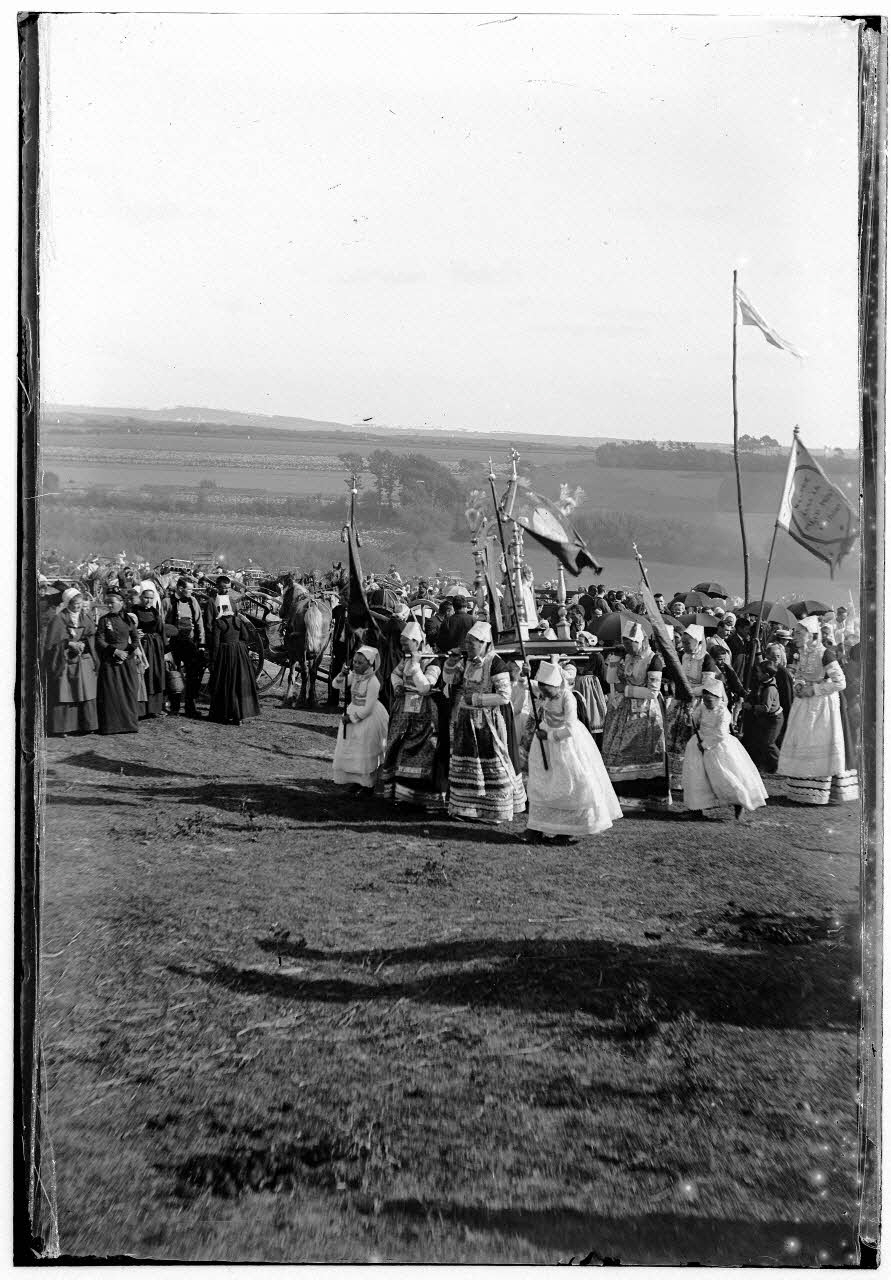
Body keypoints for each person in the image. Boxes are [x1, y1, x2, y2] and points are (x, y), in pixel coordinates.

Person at [520, 661, 623, 845]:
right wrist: (525, 674)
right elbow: (526, 684)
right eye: (542, 689)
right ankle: (536, 828)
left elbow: (571, 728)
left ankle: (566, 831)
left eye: (547, 689)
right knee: (541, 784)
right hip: (544, 745)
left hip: (565, 745)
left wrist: (549, 736)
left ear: (557, 684)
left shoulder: (568, 698)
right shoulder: (544, 691)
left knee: (570, 785)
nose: (544, 694)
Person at [443, 621, 526, 823]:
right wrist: (451, 664)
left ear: (484, 644)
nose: (468, 646)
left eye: (472, 643)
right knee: (468, 764)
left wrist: (476, 699)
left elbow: (504, 696)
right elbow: (450, 680)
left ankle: (495, 811)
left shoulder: (496, 664)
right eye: (467, 642)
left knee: (491, 764)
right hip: (467, 721)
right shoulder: (468, 661)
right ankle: (466, 808)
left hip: (489, 722)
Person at [778, 617, 859, 805]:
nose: (795, 637)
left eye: (799, 633)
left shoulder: (825, 654)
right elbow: (800, 675)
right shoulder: (803, 653)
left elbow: (840, 682)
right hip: (804, 705)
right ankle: (802, 788)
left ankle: (820, 790)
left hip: (822, 706)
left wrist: (814, 690)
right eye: (795, 633)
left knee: (818, 741)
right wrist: (799, 685)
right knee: (803, 740)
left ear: (811, 634)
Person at [376, 621, 448, 811]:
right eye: (401, 644)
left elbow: (426, 687)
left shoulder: (433, 661)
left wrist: (415, 665)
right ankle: (400, 792)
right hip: (404, 710)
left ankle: (421, 796)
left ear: (417, 642)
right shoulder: (406, 658)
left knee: (423, 750)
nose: (402, 648)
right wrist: (398, 686)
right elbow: (395, 674)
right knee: (397, 746)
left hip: (424, 713)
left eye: (405, 644)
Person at [601, 620, 671, 810]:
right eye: (624, 643)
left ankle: (647, 798)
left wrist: (626, 689)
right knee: (619, 750)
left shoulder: (653, 660)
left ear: (639, 641)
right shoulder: (627, 657)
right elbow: (611, 680)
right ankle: (622, 797)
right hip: (624, 710)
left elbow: (653, 692)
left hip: (645, 712)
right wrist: (614, 662)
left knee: (640, 752)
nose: (627, 647)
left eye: (630, 644)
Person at [682, 674, 768, 819]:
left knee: (725, 776)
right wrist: (689, 715)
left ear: (718, 698)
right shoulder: (702, 707)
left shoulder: (723, 711)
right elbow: (693, 722)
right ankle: (696, 808)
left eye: (710, 700)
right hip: (698, 744)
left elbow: (721, 733)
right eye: (705, 699)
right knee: (696, 776)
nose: (707, 703)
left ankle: (738, 803)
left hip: (717, 747)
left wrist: (706, 744)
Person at [331, 645, 389, 795]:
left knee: (365, 749)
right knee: (352, 749)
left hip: (368, 718)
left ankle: (368, 784)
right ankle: (356, 781)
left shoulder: (373, 682)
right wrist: (342, 674)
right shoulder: (354, 675)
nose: (356, 665)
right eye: (354, 662)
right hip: (352, 710)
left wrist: (352, 718)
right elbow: (335, 685)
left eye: (360, 663)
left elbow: (369, 708)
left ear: (370, 664)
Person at [42, 587, 99, 736]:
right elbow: (52, 642)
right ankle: (63, 728)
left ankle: (87, 725)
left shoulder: (85, 617)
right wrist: (68, 643)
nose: (78, 606)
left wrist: (84, 643)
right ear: (68, 603)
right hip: (65, 660)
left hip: (82, 659)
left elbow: (91, 635)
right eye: (75, 603)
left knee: (86, 690)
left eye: (80, 603)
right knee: (65, 691)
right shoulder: (59, 619)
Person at [665, 625, 716, 788]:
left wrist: (689, 691)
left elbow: (708, 685)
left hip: (696, 703)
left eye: (688, 643)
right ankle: (673, 776)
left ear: (698, 642)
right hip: (680, 701)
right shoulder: (683, 656)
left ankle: (692, 777)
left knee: (691, 738)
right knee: (673, 735)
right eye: (684, 642)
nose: (684, 645)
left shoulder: (707, 660)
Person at [95, 589, 140, 735]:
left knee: (128, 691)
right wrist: (115, 652)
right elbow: (99, 640)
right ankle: (111, 726)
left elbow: (135, 639)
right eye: (107, 603)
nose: (109, 605)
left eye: (112, 603)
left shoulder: (128, 619)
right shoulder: (103, 620)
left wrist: (126, 653)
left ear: (121, 603)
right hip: (110, 660)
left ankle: (129, 724)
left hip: (126, 661)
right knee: (111, 692)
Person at [206, 608, 261, 726]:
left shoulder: (219, 623)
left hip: (225, 655)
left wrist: (214, 659)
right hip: (239, 654)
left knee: (226, 683)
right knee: (239, 683)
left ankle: (227, 714)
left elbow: (216, 644)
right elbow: (245, 637)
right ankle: (239, 716)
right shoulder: (238, 620)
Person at [166, 578, 206, 718]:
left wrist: (201, 643)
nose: (191, 591)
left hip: (189, 643)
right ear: (180, 588)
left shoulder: (192, 601)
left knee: (193, 674)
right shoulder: (167, 602)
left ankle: (190, 706)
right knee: (174, 674)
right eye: (189, 589)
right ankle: (174, 707)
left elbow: (199, 622)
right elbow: (161, 622)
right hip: (173, 644)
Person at [741, 653, 784, 773]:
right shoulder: (764, 683)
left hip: (774, 719)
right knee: (760, 741)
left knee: (769, 743)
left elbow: (766, 708)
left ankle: (780, 765)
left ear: (766, 675)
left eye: (759, 672)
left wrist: (751, 707)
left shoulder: (770, 689)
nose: (757, 674)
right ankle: (765, 764)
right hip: (767, 718)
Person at [132, 582, 167, 718]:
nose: (148, 600)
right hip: (141, 647)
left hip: (155, 647)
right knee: (144, 675)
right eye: (146, 597)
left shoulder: (155, 612)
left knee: (155, 675)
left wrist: (164, 649)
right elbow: (130, 627)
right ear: (141, 597)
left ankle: (155, 708)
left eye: (151, 598)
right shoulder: (134, 610)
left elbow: (161, 630)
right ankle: (142, 710)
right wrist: (135, 634)